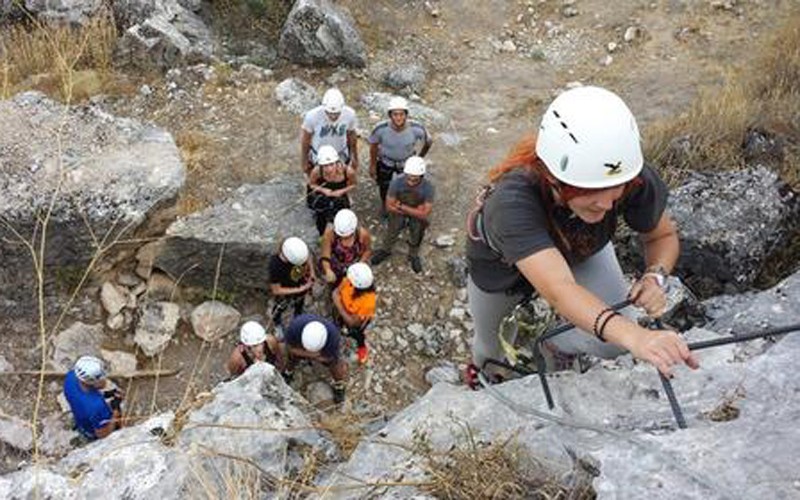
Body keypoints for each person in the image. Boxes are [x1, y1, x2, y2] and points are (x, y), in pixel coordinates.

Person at [464, 85, 699, 389]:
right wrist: (637, 337)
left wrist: (655, 276)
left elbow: (661, 235)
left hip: (581, 249)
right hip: (501, 267)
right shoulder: (511, 203)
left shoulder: (628, 176)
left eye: (616, 193)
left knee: (614, 342)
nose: (606, 205)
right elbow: (559, 290)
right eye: (590, 194)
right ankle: (486, 375)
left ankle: (556, 347)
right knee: (490, 344)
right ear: (553, 177)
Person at [370, 156, 435, 274]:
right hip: (406, 210)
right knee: (392, 230)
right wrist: (415, 211)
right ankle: (386, 250)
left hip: (401, 207)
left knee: (417, 233)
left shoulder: (428, 187)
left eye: (414, 180)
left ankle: (413, 255)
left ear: (421, 176)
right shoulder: (396, 182)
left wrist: (400, 206)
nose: (410, 182)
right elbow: (389, 206)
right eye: (408, 178)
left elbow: (425, 213)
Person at [368, 96, 433, 210]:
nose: (398, 118)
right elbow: (373, 146)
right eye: (395, 114)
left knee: (407, 186)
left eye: (401, 114)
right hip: (386, 162)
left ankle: (403, 206)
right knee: (384, 186)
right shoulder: (380, 129)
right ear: (390, 115)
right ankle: (386, 205)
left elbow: (428, 141)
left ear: (406, 115)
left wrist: (419, 158)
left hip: (406, 164)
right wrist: (373, 165)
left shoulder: (415, 128)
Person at [284, 313, 348, 403]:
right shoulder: (295, 327)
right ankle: (288, 372)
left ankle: (339, 385)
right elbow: (290, 348)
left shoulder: (333, 337)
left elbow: (329, 358)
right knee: (292, 358)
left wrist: (317, 357)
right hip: (307, 350)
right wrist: (312, 355)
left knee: (334, 364)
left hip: (319, 352)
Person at [63, 355, 124, 440]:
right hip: (91, 431)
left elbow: (86, 396)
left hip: (81, 419)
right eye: (101, 377)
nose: (104, 379)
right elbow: (102, 435)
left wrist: (107, 394)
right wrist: (115, 414)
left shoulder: (71, 377)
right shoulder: (98, 407)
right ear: (92, 381)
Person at [300, 88, 359, 175]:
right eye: (329, 113)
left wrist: (354, 156)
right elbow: (305, 140)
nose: (333, 117)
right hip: (319, 156)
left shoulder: (350, 114)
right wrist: (304, 160)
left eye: (337, 114)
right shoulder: (312, 116)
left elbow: (351, 136)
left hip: (340, 154)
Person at [332, 262, 377, 364]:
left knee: (358, 334)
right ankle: (339, 329)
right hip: (345, 310)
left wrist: (338, 304)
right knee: (338, 323)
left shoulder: (368, 302)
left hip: (355, 318)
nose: (348, 280)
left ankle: (361, 347)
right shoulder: (349, 280)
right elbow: (336, 291)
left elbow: (353, 323)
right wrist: (338, 301)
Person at [269, 237, 315, 334]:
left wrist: (312, 272)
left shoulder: (299, 249)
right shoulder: (275, 266)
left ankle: (297, 317)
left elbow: (308, 257)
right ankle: (277, 323)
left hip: (300, 284)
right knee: (280, 308)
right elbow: (276, 290)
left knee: (299, 303)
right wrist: (301, 288)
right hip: (286, 291)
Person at [307, 145, 357, 235]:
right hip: (324, 191)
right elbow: (311, 184)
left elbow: (353, 184)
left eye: (331, 164)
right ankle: (322, 234)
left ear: (337, 162)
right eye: (325, 166)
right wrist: (323, 190)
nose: (329, 169)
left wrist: (341, 191)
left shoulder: (347, 171)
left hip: (340, 191)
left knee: (341, 214)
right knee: (320, 215)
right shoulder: (317, 171)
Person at [320, 209, 372, 287]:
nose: (344, 239)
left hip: (354, 265)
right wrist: (328, 270)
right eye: (341, 237)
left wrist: (360, 264)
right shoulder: (329, 235)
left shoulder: (363, 235)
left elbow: (367, 251)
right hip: (336, 266)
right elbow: (325, 255)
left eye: (348, 237)